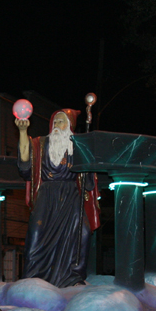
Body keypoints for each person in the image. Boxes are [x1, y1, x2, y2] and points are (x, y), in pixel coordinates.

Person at [16, 108, 100, 287]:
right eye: (54, 122)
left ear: (70, 125)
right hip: (47, 195)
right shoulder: (41, 143)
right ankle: (33, 278)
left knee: (82, 232)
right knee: (36, 234)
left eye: (61, 122)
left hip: (71, 196)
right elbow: (25, 164)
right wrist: (23, 132)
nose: (56, 126)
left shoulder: (77, 145)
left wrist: (86, 158)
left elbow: (89, 182)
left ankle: (73, 277)